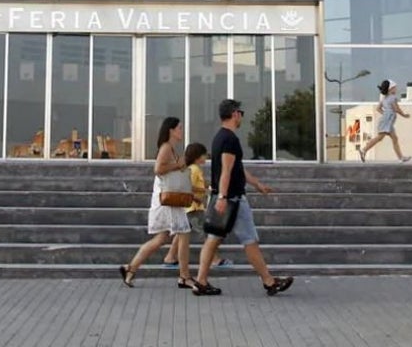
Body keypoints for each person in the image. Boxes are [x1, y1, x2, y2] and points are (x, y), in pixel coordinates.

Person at [191, 98, 294, 298]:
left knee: (213, 239)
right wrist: (222, 196)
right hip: (233, 200)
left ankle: (201, 282)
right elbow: (227, 171)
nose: (241, 118)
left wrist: (257, 184)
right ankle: (269, 281)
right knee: (249, 240)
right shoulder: (230, 139)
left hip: (224, 198)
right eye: (241, 113)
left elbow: (236, 168)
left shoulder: (219, 137)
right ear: (235, 114)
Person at [118, 117, 198, 290]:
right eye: (179, 128)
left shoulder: (171, 148)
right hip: (166, 199)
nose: (181, 131)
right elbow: (158, 169)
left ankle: (130, 269)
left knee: (162, 238)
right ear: (171, 130)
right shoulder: (166, 148)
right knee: (183, 232)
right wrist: (177, 165)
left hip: (167, 198)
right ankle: (184, 276)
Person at [162, 142, 230, 269]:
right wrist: (204, 192)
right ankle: (214, 259)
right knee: (207, 234)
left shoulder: (193, 169)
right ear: (198, 157)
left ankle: (170, 257)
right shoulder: (194, 169)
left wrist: (207, 186)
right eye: (204, 155)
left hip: (189, 208)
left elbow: (197, 184)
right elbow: (189, 186)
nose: (206, 158)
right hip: (194, 208)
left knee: (181, 232)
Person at [358, 79, 412, 162]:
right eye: (394, 87)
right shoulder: (393, 98)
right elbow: (396, 109)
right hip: (387, 121)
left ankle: (401, 157)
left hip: (387, 121)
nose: (396, 89)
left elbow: (378, 108)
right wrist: (404, 115)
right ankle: (363, 150)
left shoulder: (384, 99)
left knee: (394, 138)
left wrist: (385, 114)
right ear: (390, 89)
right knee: (380, 137)